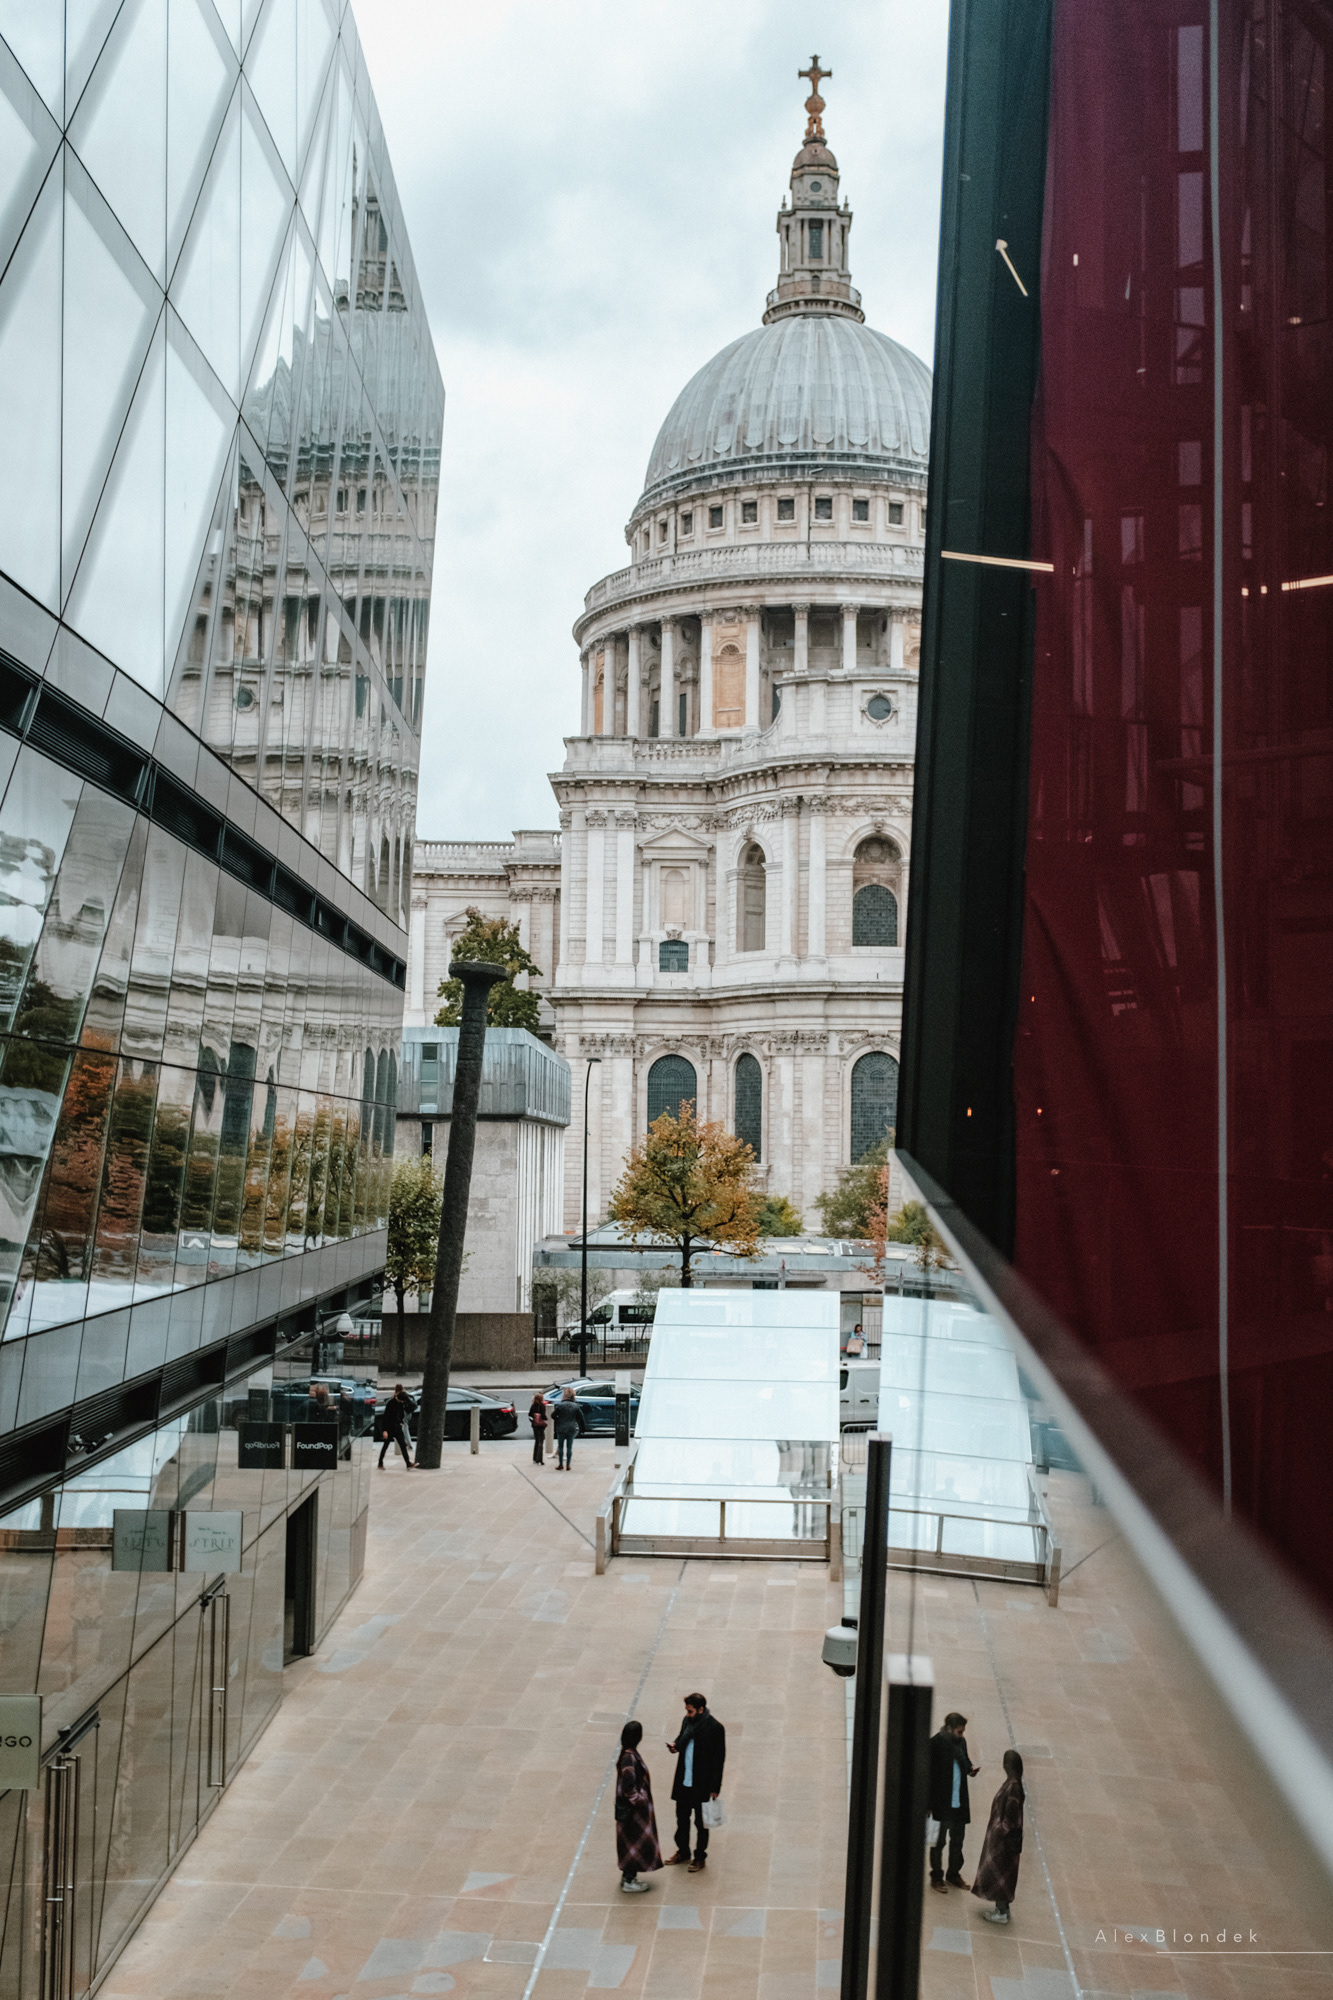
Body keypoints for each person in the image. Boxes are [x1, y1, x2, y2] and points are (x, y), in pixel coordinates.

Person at [665, 1693, 725, 1874]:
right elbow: (682, 1737)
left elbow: (718, 1759)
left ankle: (700, 1856)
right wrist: (676, 1745)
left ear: (700, 1709)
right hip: (684, 1781)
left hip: (702, 1785)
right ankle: (683, 1851)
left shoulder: (715, 1728)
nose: (687, 1714)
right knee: (681, 1820)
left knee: (701, 1824)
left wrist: (715, 1788)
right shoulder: (687, 1721)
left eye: (690, 1711)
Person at [927, 1711, 979, 1892]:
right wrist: (928, 1805)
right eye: (959, 1732)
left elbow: (964, 1760)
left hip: (958, 1803)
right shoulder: (935, 1744)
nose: (962, 1735)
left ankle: (953, 1874)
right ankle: (937, 1877)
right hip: (941, 1804)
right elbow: (927, 1776)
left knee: (958, 1841)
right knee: (939, 1843)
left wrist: (970, 1769)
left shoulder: (960, 1742)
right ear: (949, 1729)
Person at [971, 1751, 1025, 1924]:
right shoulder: (1014, 1784)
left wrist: (998, 1831)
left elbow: (1010, 1817)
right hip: (1003, 1838)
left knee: (999, 1873)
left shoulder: (1013, 1787)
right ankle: (1002, 1909)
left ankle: (1001, 1912)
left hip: (1003, 1841)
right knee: (1002, 1874)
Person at [614, 1721, 662, 1893]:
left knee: (631, 1843)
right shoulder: (629, 1757)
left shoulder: (627, 1754)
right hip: (633, 1812)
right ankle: (629, 1879)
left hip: (632, 1810)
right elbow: (629, 1787)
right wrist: (640, 1801)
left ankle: (629, 1876)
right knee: (633, 1843)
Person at [378, 1383, 415, 1470]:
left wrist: (401, 1421)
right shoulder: (390, 1403)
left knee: (403, 1445)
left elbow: (402, 1413)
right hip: (390, 1428)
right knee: (385, 1446)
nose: (402, 1403)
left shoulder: (400, 1403)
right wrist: (384, 1430)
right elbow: (386, 1417)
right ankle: (380, 1462)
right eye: (401, 1401)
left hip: (397, 1427)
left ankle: (408, 1463)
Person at [552, 1386, 580, 1469]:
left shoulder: (560, 1405)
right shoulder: (576, 1406)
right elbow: (579, 1418)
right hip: (571, 1428)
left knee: (560, 1447)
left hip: (561, 1427)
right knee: (569, 1447)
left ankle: (560, 1464)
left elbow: (553, 1415)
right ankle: (568, 1464)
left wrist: (559, 1419)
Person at [528, 1391, 548, 1466]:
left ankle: (534, 1458)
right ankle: (540, 1459)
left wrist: (533, 1420)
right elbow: (543, 1416)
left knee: (536, 1441)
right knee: (541, 1442)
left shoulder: (533, 1405)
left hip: (535, 1425)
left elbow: (530, 1414)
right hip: (540, 1426)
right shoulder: (542, 1406)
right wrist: (546, 1418)